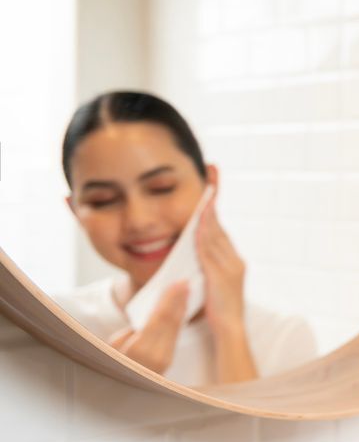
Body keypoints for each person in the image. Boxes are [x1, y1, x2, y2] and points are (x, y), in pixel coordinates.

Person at [54, 90, 317, 386]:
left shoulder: (282, 336)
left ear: (210, 183)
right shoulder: (53, 325)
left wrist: (230, 332)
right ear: (75, 210)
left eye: (161, 187)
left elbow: (256, 434)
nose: (139, 220)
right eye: (103, 200)